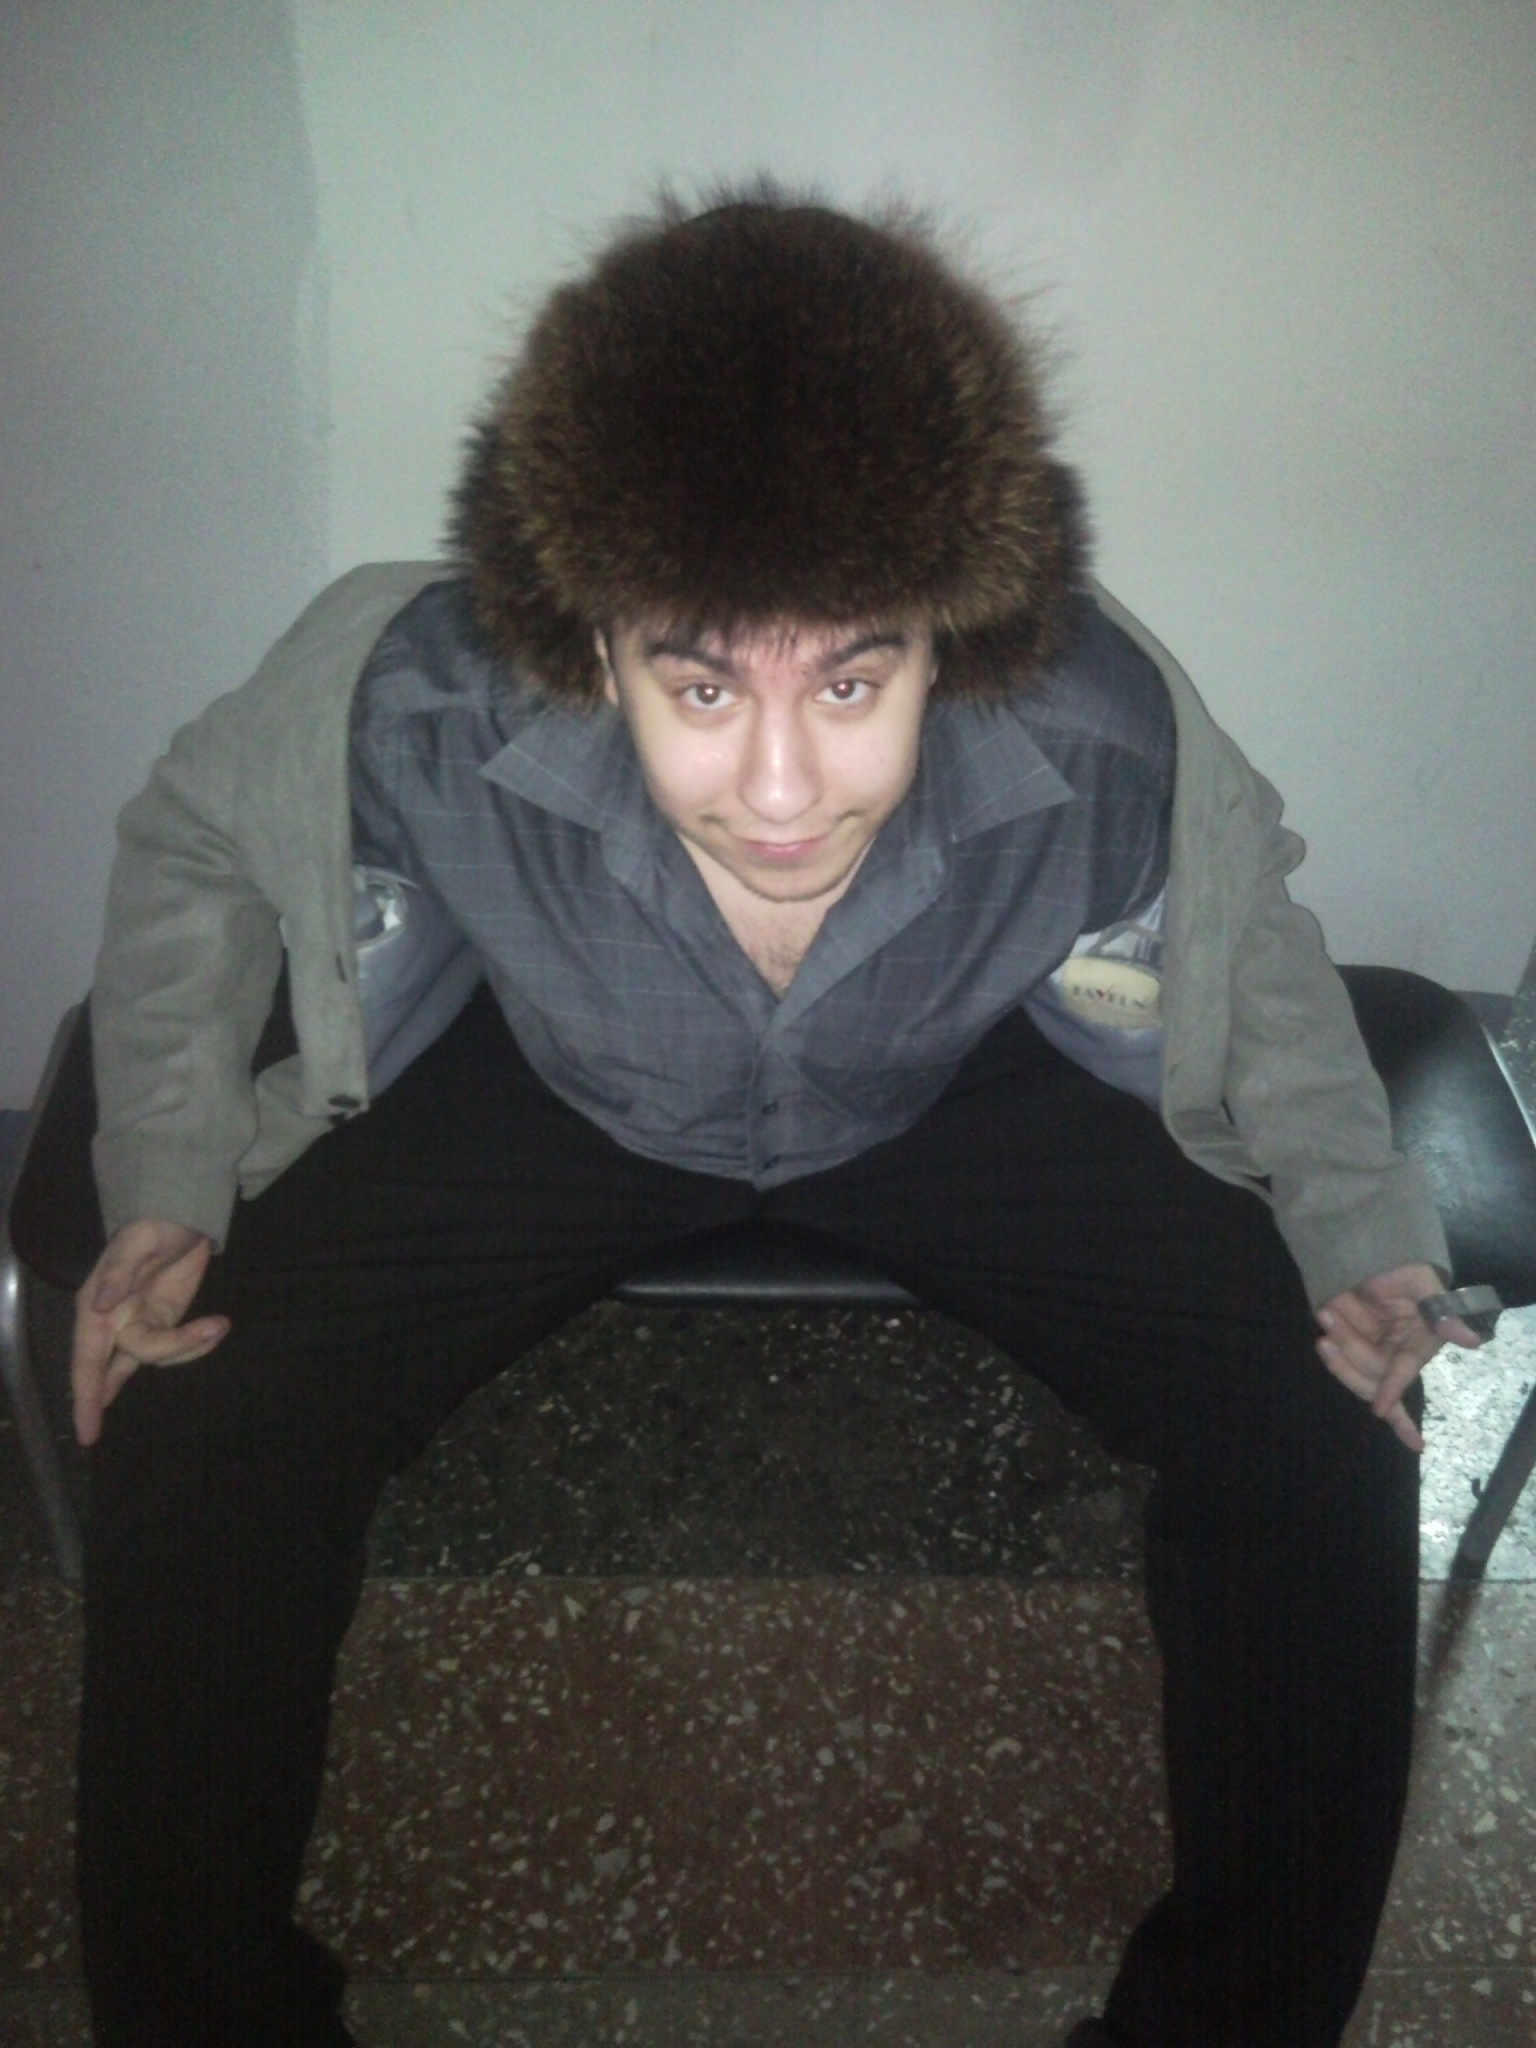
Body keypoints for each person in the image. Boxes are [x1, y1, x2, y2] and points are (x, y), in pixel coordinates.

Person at [71, 188, 1480, 2048]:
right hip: (559, 1081)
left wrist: (1355, 1219)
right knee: (198, 1408)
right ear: (594, 648)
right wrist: (171, 1177)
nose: (786, 786)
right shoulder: (413, 700)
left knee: (1326, 1417)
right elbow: (195, 845)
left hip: (953, 1081)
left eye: (855, 678)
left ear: (947, 639)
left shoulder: (1101, 731)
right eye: (702, 684)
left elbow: (1254, 941)